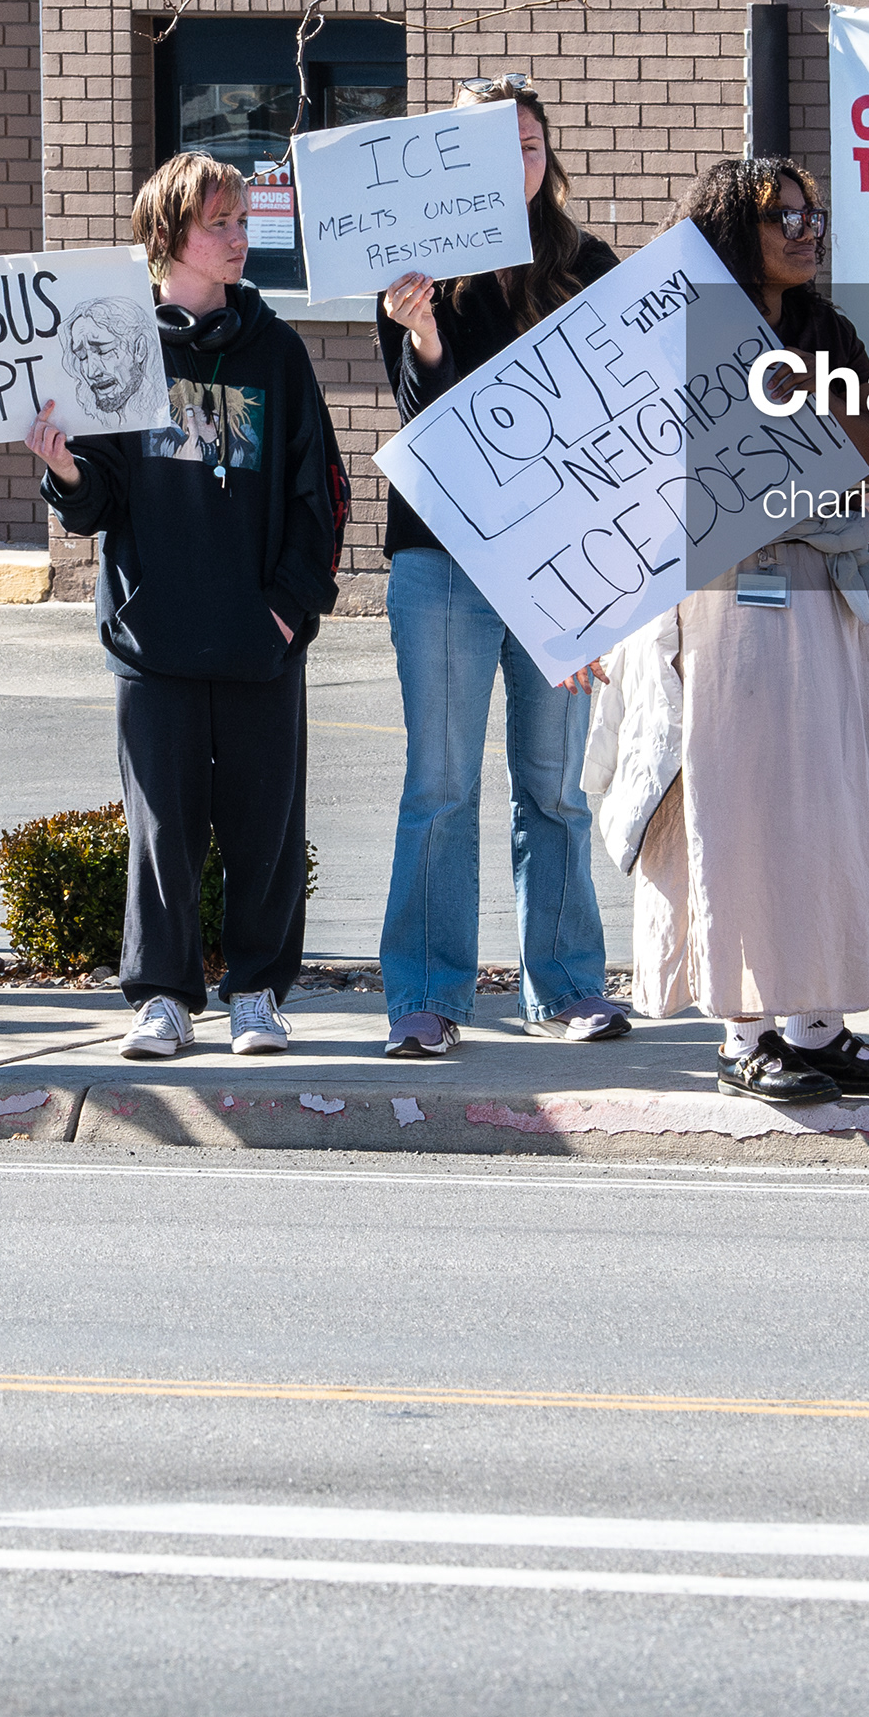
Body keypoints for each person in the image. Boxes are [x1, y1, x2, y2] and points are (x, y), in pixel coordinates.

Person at [586, 158, 869, 1102]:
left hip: (827, 600)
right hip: (720, 609)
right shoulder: (678, 338)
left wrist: (814, 392)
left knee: (826, 809)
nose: (804, 229)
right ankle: (741, 1030)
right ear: (728, 233)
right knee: (737, 812)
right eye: (779, 216)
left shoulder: (827, 332)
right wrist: (588, 620)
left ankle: (817, 1026)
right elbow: (613, 485)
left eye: (811, 214)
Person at [24, 149, 340, 1063]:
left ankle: (255, 995)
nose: (241, 239)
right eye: (221, 224)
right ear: (168, 236)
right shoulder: (117, 344)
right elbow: (101, 503)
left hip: (257, 642)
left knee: (265, 830)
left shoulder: (276, 351)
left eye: (244, 223)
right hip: (153, 639)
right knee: (162, 828)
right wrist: (65, 472)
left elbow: (320, 490)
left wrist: (289, 610)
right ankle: (164, 997)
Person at [372, 77, 627, 1055]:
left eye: (529, 144)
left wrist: (609, 584)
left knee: (553, 782)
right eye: (493, 144)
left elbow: (619, 426)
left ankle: (565, 988)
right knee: (439, 784)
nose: (516, 159)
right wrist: (422, 332)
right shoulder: (413, 268)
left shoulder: (587, 264)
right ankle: (426, 999)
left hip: (557, 564)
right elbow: (419, 417)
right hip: (440, 559)